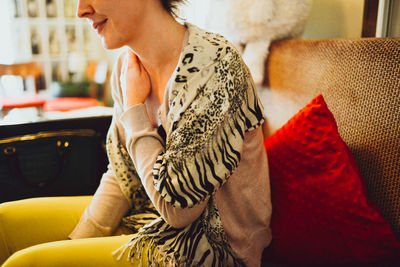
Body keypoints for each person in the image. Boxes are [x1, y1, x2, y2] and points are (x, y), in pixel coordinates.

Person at [0, 0, 272, 266]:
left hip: (208, 248)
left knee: (25, 263)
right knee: (4, 223)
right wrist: (79, 240)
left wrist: (133, 109)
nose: (80, 10)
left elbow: (179, 209)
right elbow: (122, 173)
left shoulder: (213, 64)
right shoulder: (127, 66)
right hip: (144, 218)